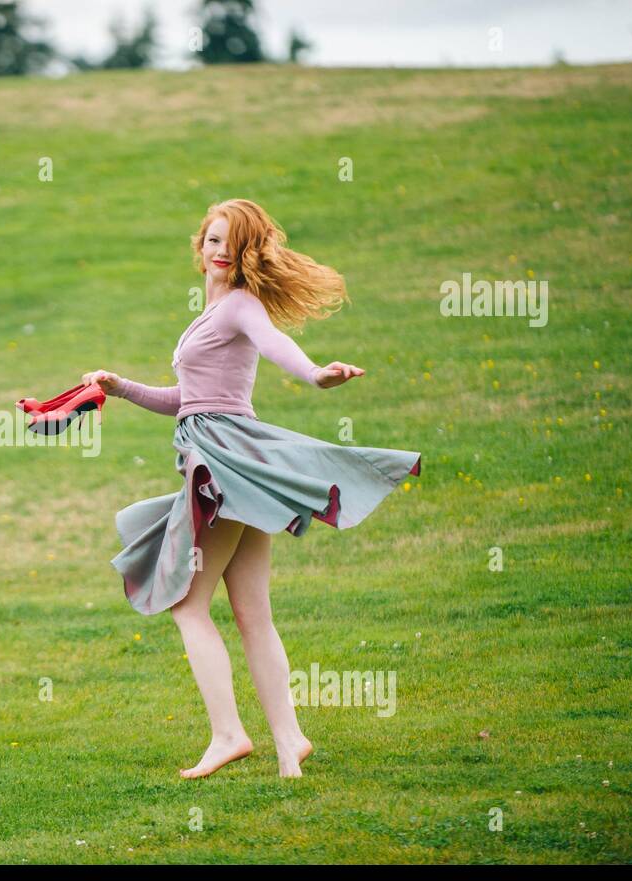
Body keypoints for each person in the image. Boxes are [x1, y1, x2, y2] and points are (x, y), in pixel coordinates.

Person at [83, 198, 421, 780]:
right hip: (227, 457)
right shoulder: (210, 311)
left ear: (246, 254)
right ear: (200, 245)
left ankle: (229, 735)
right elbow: (188, 401)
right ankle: (289, 744)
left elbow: (273, 344)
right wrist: (118, 387)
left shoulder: (240, 304)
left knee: (188, 605)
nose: (218, 251)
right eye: (212, 240)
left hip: (225, 465)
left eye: (230, 244)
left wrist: (316, 374)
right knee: (251, 614)